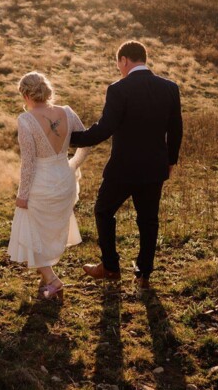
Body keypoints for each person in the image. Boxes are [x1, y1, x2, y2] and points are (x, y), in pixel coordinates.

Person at [69, 41, 183, 290]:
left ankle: (110, 267)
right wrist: (170, 161)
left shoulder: (118, 89)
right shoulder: (170, 88)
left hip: (123, 168)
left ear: (124, 61)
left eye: (118, 64)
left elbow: (105, 128)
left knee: (103, 211)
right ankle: (144, 275)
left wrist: (71, 139)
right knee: (148, 219)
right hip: (154, 167)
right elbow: (176, 129)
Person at [8, 72, 90, 300]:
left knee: (30, 230)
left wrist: (22, 195)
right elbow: (86, 144)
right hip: (64, 180)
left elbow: (29, 162)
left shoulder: (26, 120)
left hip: (41, 184)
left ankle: (53, 280)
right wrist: (72, 166)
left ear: (25, 94)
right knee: (41, 230)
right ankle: (47, 276)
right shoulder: (67, 112)